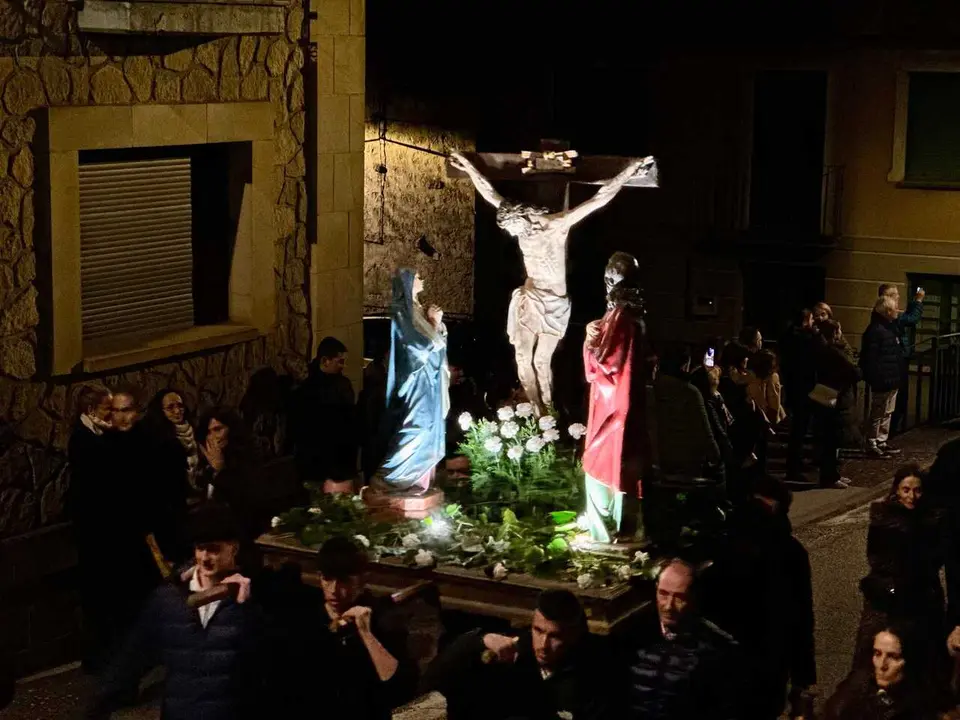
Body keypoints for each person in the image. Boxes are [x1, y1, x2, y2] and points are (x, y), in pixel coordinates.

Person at [450, 151, 655, 412]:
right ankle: (536, 414)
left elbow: (599, 199)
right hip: (529, 297)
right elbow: (489, 193)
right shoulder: (519, 226)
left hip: (554, 304)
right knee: (523, 357)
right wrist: (468, 167)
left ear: (521, 218)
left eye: (513, 229)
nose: (514, 235)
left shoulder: (556, 226)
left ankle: (547, 410)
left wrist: (629, 171)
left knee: (541, 361)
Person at [86, 503, 266, 720]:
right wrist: (99, 704)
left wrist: (244, 608)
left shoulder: (248, 601)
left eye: (214, 549)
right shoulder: (169, 599)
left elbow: (263, 667)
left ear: (233, 549)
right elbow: (133, 654)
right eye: (201, 548)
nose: (206, 557)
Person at [705, 475, 816, 720]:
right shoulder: (788, 551)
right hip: (757, 661)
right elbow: (802, 618)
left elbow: (801, 617)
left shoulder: (728, 544)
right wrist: (803, 677)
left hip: (758, 661)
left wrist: (802, 677)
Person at [275, 536, 417, 719]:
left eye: (344, 581)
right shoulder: (304, 619)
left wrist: (366, 634)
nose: (334, 589)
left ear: (362, 580)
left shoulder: (384, 619)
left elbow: (400, 689)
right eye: (328, 579)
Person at [422, 589, 615, 720]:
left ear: (574, 635)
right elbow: (433, 680)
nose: (543, 645)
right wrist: (480, 640)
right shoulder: (515, 653)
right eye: (538, 631)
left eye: (555, 636)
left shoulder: (597, 672)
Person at [853, 465, 952, 682]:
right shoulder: (883, 518)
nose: (912, 496)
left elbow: (937, 556)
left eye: (917, 491)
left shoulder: (932, 519)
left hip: (923, 596)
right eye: (906, 490)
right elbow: (876, 557)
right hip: (889, 597)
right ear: (897, 490)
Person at [582, 251, 650, 543]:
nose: (609, 280)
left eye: (615, 275)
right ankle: (622, 528)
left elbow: (606, 365)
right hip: (620, 401)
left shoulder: (621, 316)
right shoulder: (625, 314)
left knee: (601, 460)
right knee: (621, 461)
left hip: (612, 405)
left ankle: (604, 532)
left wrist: (590, 342)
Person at [617, 559, 741, 720]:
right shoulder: (632, 634)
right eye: (663, 594)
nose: (668, 606)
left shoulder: (718, 648)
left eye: (679, 597)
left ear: (694, 598)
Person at [375, 268, 450, 494]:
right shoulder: (402, 311)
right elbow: (415, 346)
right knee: (417, 427)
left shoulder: (416, 310)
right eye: (418, 277)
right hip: (417, 381)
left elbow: (436, 343)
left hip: (429, 380)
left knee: (429, 428)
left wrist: (436, 325)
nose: (423, 279)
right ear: (406, 283)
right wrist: (434, 324)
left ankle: (415, 477)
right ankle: (392, 475)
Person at [825, 623, 954, 720]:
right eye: (877, 653)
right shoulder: (857, 686)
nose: (882, 665)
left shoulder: (924, 706)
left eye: (893, 657)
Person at [290, 336, 358, 493]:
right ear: (326, 360)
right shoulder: (307, 391)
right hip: (318, 464)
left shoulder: (340, 385)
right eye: (339, 361)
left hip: (335, 463)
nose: (343, 366)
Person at [860, 295, 905, 457]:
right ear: (887, 311)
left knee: (887, 411)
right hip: (883, 379)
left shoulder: (888, 328)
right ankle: (872, 441)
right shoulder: (876, 330)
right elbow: (871, 358)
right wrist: (876, 377)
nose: (898, 311)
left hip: (892, 377)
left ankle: (881, 440)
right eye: (895, 309)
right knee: (878, 411)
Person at [882, 283, 925, 435]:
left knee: (897, 399)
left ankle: (891, 431)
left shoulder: (891, 316)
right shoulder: (889, 316)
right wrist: (919, 301)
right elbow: (911, 319)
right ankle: (891, 433)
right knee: (895, 400)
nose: (899, 298)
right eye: (895, 295)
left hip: (899, 360)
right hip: (896, 362)